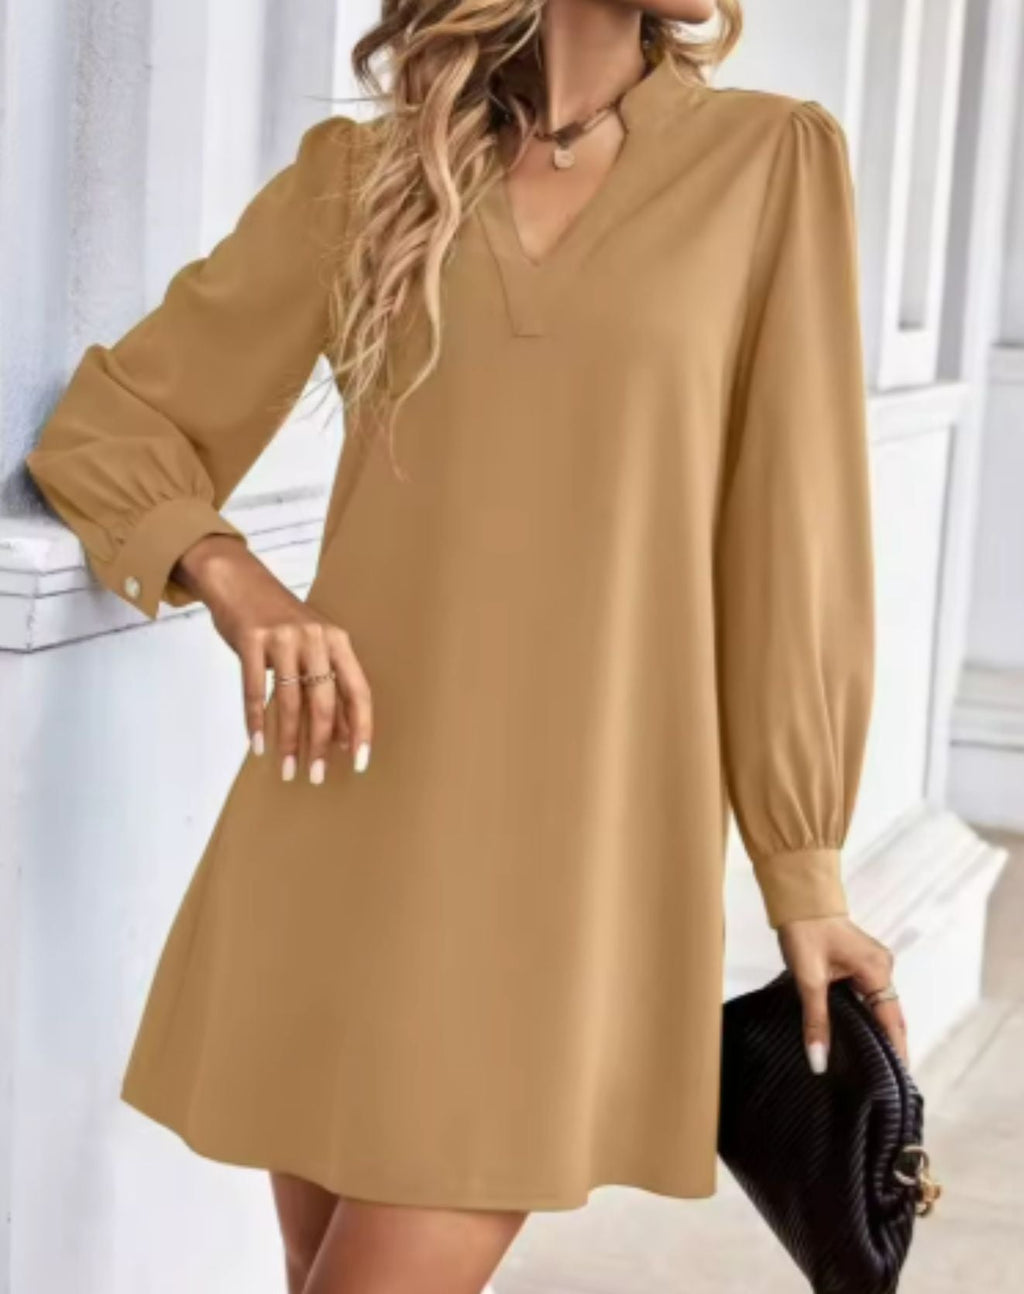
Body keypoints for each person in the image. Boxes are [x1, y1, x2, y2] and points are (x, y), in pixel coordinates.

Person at [24, 2, 909, 1291]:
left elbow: (795, 536)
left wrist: (805, 869)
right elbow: (114, 424)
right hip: (346, 811)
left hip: (574, 856)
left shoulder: (769, 164)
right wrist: (239, 584)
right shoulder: (370, 178)